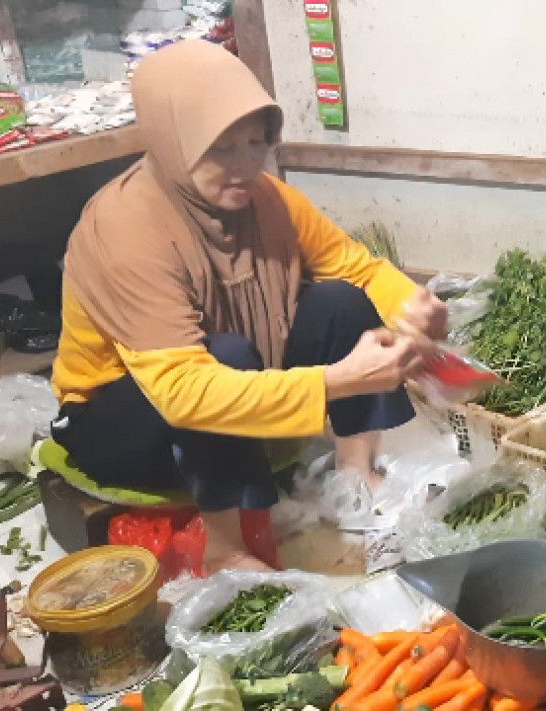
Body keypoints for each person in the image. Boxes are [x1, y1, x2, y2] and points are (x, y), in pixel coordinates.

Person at [50, 40, 447, 573]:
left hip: (231, 378)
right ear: (174, 141)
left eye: (256, 144)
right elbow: (185, 394)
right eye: (220, 150)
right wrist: (336, 380)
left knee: (339, 301)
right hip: (120, 423)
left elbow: (358, 268)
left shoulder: (271, 202)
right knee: (226, 357)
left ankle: (356, 476)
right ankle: (225, 546)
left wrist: (412, 305)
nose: (244, 167)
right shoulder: (125, 230)